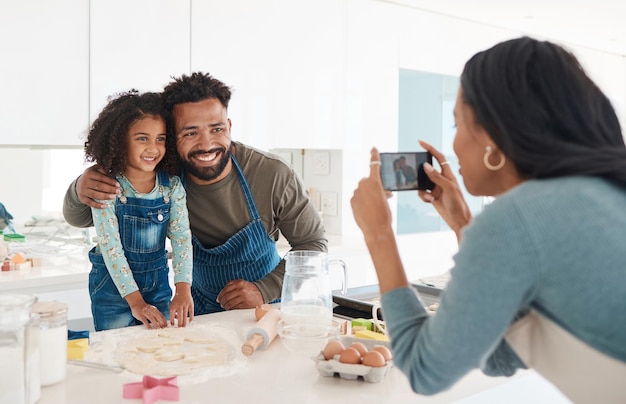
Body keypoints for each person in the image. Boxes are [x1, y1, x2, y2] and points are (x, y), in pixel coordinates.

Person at [350, 36, 626, 402]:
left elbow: (423, 370)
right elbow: (501, 354)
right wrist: (465, 225)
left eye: (457, 125)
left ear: (493, 134)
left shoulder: (517, 217)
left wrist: (378, 234)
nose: (455, 146)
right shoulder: (601, 193)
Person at [64, 72, 327, 315]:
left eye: (217, 129)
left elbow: (314, 245)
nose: (207, 145)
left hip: (264, 310)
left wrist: (264, 289)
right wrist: (80, 188)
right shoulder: (163, 175)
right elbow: (79, 218)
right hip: (197, 311)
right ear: (172, 136)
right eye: (190, 133)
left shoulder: (272, 174)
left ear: (230, 125)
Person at [83, 90, 193, 331]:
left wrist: (183, 289)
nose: (153, 148)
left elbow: (182, 239)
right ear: (121, 140)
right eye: (142, 138)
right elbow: (111, 249)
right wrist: (136, 302)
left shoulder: (172, 187)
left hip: (158, 287)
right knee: (117, 354)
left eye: (160, 139)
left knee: (160, 350)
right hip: (113, 291)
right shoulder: (107, 187)